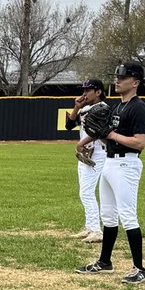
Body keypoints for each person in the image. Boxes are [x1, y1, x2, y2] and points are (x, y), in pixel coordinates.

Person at [76, 62, 145, 284]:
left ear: (135, 82)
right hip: (109, 162)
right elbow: (103, 131)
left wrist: (112, 135)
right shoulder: (117, 107)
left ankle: (139, 268)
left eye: (123, 77)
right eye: (117, 77)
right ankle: (105, 261)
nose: (117, 80)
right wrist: (83, 142)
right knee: (108, 216)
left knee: (127, 216)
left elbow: (139, 143)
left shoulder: (138, 107)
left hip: (127, 165)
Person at [65, 79, 110, 244]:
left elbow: (99, 132)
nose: (84, 93)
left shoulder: (103, 108)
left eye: (88, 90)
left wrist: (80, 143)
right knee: (83, 191)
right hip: (86, 152)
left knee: (86, 191)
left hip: (97, 152)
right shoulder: (85, 108)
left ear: (98, 92)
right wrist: (76, 106)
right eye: (84, 90)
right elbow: (69, 125)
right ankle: (90, 227)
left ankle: (97, 231)